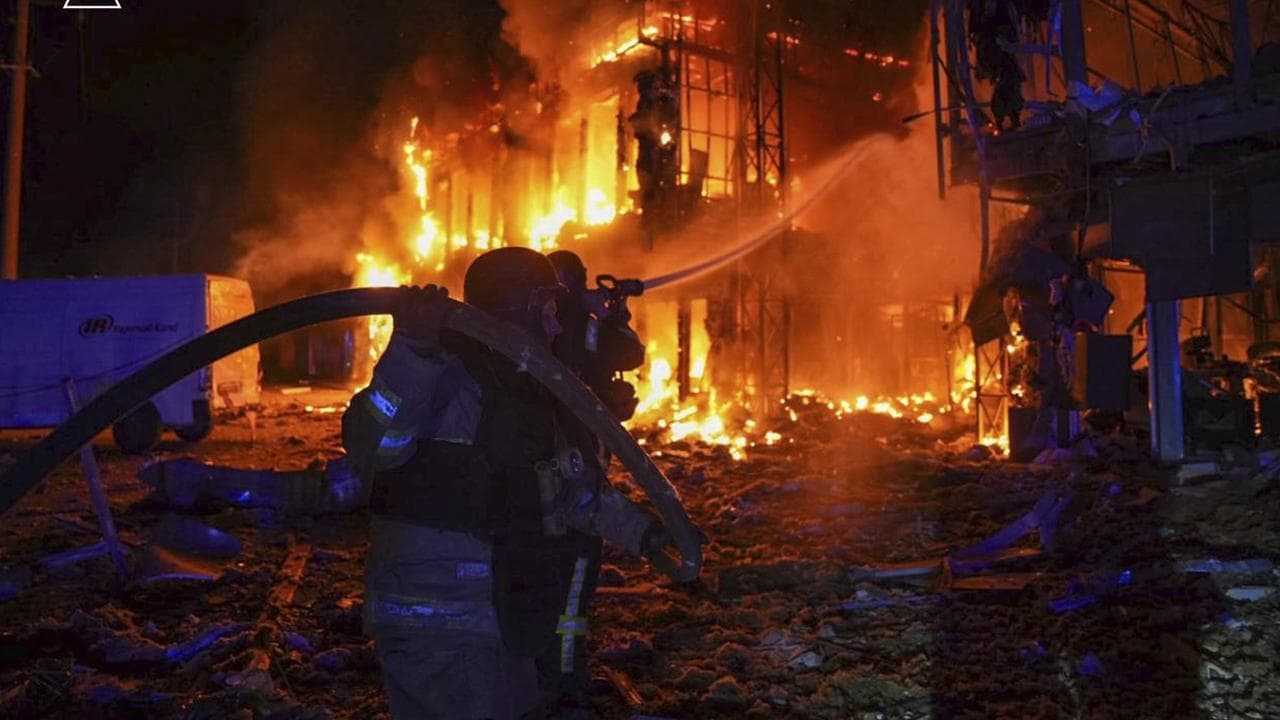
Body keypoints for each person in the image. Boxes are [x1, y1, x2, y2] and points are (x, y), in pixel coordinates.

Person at [342, 247, 671, 720]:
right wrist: (412, 353)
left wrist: (646, 533)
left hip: (499, 616)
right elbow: (373, 447)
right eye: (549, 309)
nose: (556, 326)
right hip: (438, 623)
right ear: (520, 307)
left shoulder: (523, 388)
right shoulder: (445, 376)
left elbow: (568, 487)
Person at [546, 250, 645, 423]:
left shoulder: (542, 317)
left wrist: (612, 314)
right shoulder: (580, 324)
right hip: (579, 418)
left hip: (563, 416)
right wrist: (604, 314)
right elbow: (632, 355)